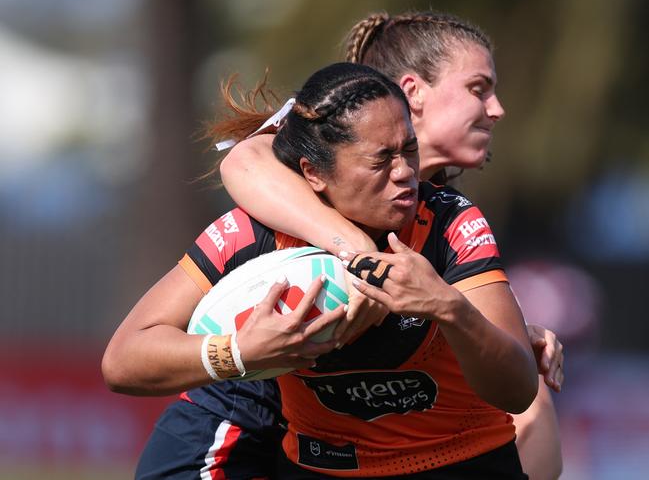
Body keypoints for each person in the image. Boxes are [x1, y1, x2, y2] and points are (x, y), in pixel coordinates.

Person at [104, 61, 539, 478]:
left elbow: (518, 392)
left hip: (464, 465)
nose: (405, 172)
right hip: (322, 469)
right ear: (314, 174)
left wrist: (450, 308)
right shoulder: (257, 234)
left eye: (410, 150)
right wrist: (239, 352)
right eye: (380, 159)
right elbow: (123, 361)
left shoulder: (450, 223)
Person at [220, 11, 563, 479]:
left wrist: (495, 325)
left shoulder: (444, 211)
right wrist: (356, 253)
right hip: (238, 411)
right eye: (478, 89)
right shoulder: (327, 140)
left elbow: (525, 408)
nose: (497, 108)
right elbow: (245, 157)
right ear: (413, 91)